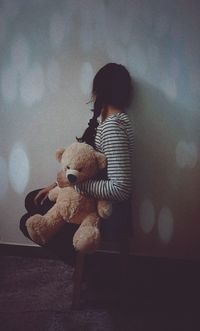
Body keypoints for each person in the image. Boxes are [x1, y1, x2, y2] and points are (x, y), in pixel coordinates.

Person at [20, 63, 135, 266]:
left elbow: (121, 189)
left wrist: (73, 185)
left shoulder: (113, 129)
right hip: (92, 198)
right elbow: (86, 167)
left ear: (100, 90)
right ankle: (82, 258)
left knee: (28, 216)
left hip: (107, 211)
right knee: (33, 199)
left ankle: (89, 265)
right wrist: (56, 185)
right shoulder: (110, 124)